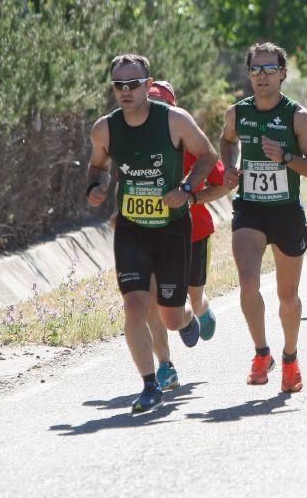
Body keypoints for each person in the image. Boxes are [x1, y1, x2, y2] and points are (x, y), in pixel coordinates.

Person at [86, 54, 218, 414]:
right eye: (119, 86)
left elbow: (207, 155)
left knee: (170, 316)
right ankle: (149, 385)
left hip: (172, 229)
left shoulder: (174, 120)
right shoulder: (105, 129)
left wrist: (189, 189)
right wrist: (96, 188)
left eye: (133, 84)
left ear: (148, 83)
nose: (126, 91)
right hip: (131, 230)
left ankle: (188, 318)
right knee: (135, 307)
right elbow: (98, 166)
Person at [220, 42, 307, 393]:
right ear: (248, 73)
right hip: (250, 209)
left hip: (285, 213)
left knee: (287, 296)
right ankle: (261, 353)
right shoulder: (237, 113)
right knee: (248, 283)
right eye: (256, 70)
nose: (262, 76)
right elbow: (226, 140)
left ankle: (290, 357)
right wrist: (229, 167)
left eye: (269, 69)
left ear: (283, 73)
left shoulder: (296, 116)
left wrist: (285, 158)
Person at [143, 81, 230, 391]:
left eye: (161, 107)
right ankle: (165, 366)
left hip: (193, 233)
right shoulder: (135, 142)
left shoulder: (190, 142)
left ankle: (200, 310)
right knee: (153, 302)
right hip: (151, 234)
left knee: (191, 297)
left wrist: (191, 198)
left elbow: (222, 184)